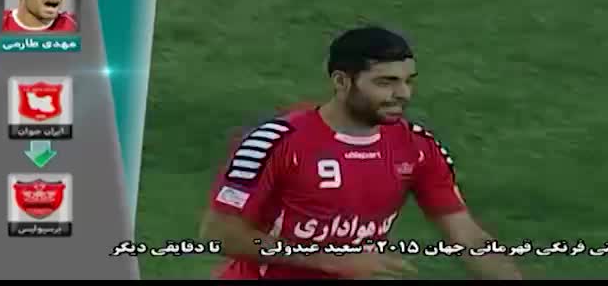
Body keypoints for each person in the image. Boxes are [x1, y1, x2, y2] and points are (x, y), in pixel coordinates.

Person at [200, 26, 522, 280]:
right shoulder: (275, 143)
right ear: (342, 82)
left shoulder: (417, 148)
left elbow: (467, 237)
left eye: (408, 81)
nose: (402, 94)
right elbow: (219, 234)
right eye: (385, 82)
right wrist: (329, 259)